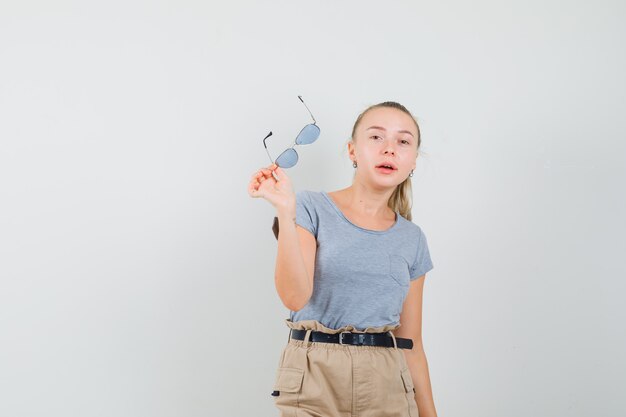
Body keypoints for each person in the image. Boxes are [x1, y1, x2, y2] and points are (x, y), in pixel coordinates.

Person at [248, 101, 437, 417]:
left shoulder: (413, 239)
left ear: (413, 160)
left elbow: (411, 343)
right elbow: (294, 297)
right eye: (376, 137)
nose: (389, 149)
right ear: (352, 151)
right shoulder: (309, 208)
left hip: (387, 382)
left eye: (403, 141)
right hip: (313, 377)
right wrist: (285, 209)